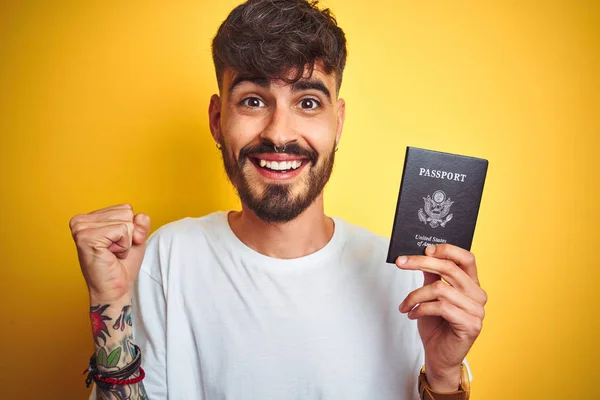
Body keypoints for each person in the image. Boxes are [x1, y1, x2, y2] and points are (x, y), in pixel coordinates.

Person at [70, 1, 487, 399]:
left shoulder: (407, 278)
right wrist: (110, 303)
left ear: (337, 123)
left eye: (307, 102)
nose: (280, 133)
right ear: (218, 120)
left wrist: (444, 375)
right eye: (253, 100)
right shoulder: (167, 257)